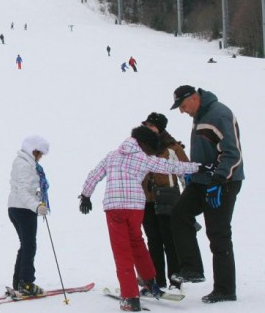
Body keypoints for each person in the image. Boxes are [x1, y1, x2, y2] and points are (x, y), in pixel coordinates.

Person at [79, 127, 201, 312]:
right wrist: (198, 167)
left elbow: (94, 175)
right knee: (137, 243)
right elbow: (170, 166)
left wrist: (85, 196)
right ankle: (150, 282)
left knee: (122, 251)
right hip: (136, 207)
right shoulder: (143, 158)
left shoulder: (112, 156)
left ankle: (130, 297)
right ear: (143, 144)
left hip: (115, 208)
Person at [168, 85, 244, 303]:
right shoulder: (199, 115)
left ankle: (225, 288)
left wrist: (219, 180)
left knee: (218, 233)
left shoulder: (219, 114)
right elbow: (205, 150)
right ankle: (192, 268)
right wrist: (193, 170)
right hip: (202, 180)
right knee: (179, 214)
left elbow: (232, 153)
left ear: (194, 99)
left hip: (224, 182)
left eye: (183, 106)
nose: (182, 111)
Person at [139, 113, 189, 290]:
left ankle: (175, 280)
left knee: (170, 240)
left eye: (151, 125)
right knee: (153, 241)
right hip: (146, 200)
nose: (148, 128)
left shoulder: (172, 147)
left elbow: (186, 172)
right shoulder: (140, 147)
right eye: (146, 125)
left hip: (169, 199)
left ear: (160, 128)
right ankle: (156, 279)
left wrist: (187, 199)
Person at [6, 135, 51, 298]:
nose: (40, 157)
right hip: (23, 209)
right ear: (34, 150)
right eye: (40, 154)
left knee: (26, 245)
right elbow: (23, 191)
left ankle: (19, 281)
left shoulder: (24, 162)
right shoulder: (24, 165)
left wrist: (37, 202)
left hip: (17, 208)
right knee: (29, 245)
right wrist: (37, 206)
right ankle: (26, 282)